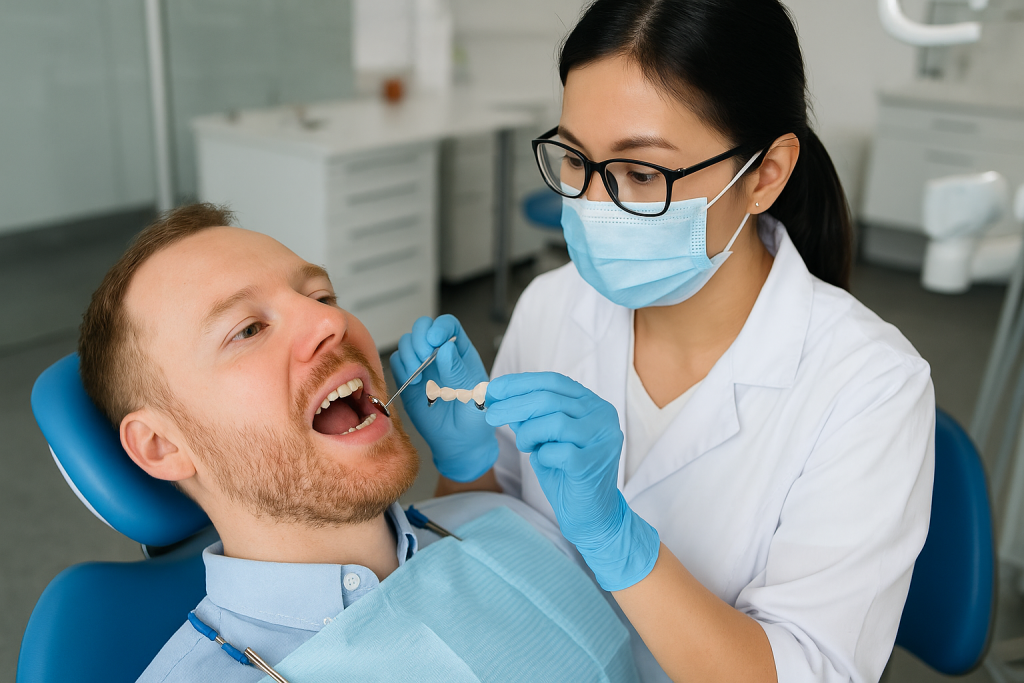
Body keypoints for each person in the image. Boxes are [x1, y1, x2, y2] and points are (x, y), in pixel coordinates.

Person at [389, 1, 935, 682]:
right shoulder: (554, 304)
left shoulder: (870, 387)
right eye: (576, 159)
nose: (591, 204)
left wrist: (620, 542)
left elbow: (809, 670)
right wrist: (466, 462)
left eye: (642, 174)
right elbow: (494, 534)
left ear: (765, 174)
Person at [76, 204, 639, 683]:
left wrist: (474, 470)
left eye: (320, 294)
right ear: (160, 446)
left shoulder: (501, 516)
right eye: (247, 329)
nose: (330, 323)